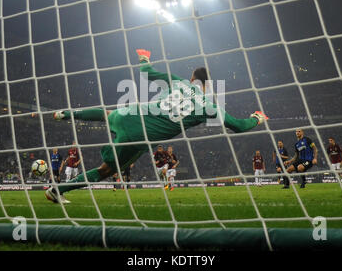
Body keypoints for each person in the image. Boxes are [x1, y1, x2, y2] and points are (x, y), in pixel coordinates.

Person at [45, 49, 268, 204]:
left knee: (108, 114)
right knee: (106, 171)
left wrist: (144, 58)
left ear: (191, 78)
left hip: (133, 115)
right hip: (142, 137)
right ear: (207, 85)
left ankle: (65, 113)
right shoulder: (208, 106)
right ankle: (58, 190)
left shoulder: (178, 81)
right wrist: (257, 118)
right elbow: (238, 126)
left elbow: (147, 72)